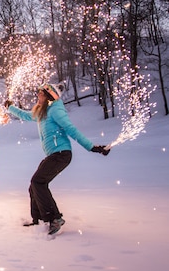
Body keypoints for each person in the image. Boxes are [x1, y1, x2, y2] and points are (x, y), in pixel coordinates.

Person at [6, 83, 110, 235]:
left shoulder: (56, 110)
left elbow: (71, 129)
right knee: (34, 185)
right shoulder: (43, 112)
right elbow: (26, 115)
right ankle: (39, 219)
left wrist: (91, 147)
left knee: (38, 182)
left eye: (41, 94)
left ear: (49, 96)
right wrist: (10, 107)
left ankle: (54, 218)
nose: (38, 96)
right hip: (53, 154)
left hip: (61, 154)